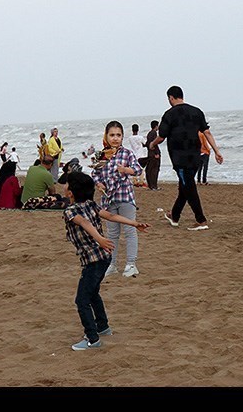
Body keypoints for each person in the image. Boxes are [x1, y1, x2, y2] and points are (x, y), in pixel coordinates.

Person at [62, 171, 150, 350]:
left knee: (82, 300)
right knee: (93, 293)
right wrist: (133, 223)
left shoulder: (70, 210)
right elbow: (110, 216)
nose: (64, 186)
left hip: (94, 259)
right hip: (103, 257)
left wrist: (100, 239)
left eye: (67, 184)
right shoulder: (91, 205)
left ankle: (92, 338)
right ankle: (103, 326)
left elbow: (86, 224)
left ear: (71, 192)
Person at [150, 86, 223, 229]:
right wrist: (216, 151)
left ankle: (201, 220)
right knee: (185, 186)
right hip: (196, 156)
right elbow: (207, 133)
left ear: (171, 97)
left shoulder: (169, 114)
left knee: (188, 187)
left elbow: (161, 136)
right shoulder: (197, 112)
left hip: (180, 158)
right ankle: (174, 216)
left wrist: (152, 144)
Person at [91, 121, 144, 278]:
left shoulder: (126, 153)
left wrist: (125, 170)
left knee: (129, 230)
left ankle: (131, 264)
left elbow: (138, 169)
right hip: (108, 200)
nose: (115, 138)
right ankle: (111, 264)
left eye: (118, 135)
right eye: (112, 135)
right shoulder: (101, 155)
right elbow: (95, 174)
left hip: (125, 197)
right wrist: (98, 183)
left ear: (122, 137)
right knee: (112, 233)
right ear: (106, 136)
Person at [144, 120, 161, 190]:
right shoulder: (154, 133)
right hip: (154, 154)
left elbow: (148, 144)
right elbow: (155, 144)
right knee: (155, 170)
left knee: (149, 170)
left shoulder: (149, 133)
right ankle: (154, 186)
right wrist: (156, 153)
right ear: (156, 126)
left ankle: (151, 185)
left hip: (150, 153)